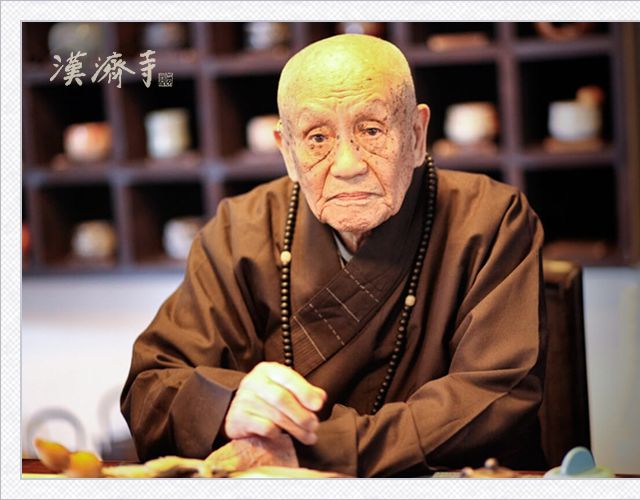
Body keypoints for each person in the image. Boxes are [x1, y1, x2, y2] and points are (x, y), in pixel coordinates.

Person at [121, 33, 548, 477]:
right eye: (318, 137)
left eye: (371, 130)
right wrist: (225, 405)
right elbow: (150, 389)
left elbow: (495, 397)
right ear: (287, 151)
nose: (347, 165)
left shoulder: (491, 221)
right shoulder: (238, 232)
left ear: (416, 135)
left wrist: (320, 448)